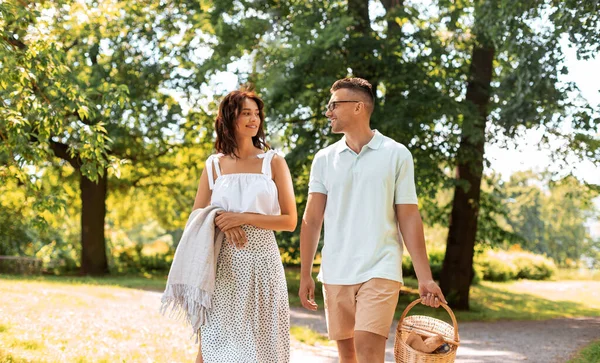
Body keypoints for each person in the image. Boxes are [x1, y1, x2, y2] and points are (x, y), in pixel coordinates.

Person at [298, 77, 446, 363]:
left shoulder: (396, 154)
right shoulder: (324, 159)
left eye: (333, 105)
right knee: (348, 356)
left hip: (381, 267)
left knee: (368, 351)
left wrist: (424, 277)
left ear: (358, 107)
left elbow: (409, 216)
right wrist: (306, 272)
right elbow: (312, 218)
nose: (328, 112)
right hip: (336, 270)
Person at [192, 89, 297, 363]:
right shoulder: (214, 165)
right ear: (229, 118)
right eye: (246, 113)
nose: (254, 119)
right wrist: (223, 221)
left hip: (263, 262)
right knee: (218, 341)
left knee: (262, 344)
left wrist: (243, 217)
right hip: (224, 262)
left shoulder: (273, 162)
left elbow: (289, 221)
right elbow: (197, 215)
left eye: (256, 113)